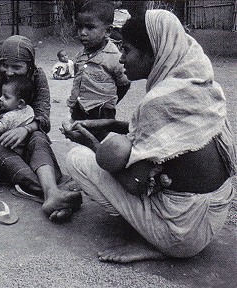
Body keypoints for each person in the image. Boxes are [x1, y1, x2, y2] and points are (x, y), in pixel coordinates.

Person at [62, 10, 236, 263]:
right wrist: (112, 124)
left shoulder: (158, 103)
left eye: (127, 49)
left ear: (155, 52)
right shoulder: (198, 84)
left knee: (78, 158)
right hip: (215, 215)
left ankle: (154, 242)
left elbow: (134, 183)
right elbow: (172, 139)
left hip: (180, 234)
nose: (122, 58)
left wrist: (90, 142)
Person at [0, 35, 82, 222]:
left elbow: (44, 119)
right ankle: (54, 194)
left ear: (30, 66)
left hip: (29, 140)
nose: (9, 72)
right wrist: (4, 133)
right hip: (1, 147)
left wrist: (25, 129)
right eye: (5, 65)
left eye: (17, 67)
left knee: (38, 136)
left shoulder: (37, 77)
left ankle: (52, 196)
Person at [67, 1, 130, 140]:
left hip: (102, 114)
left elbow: (124, 84)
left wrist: (109, 102)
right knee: (78, 142)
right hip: (79, 109)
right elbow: (78, 81)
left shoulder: (115, 58)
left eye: (90, 28)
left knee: (100, 147)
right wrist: (74, 104)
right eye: (80, 27)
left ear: (107, 31)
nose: (82, 33)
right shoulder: (80, 56)